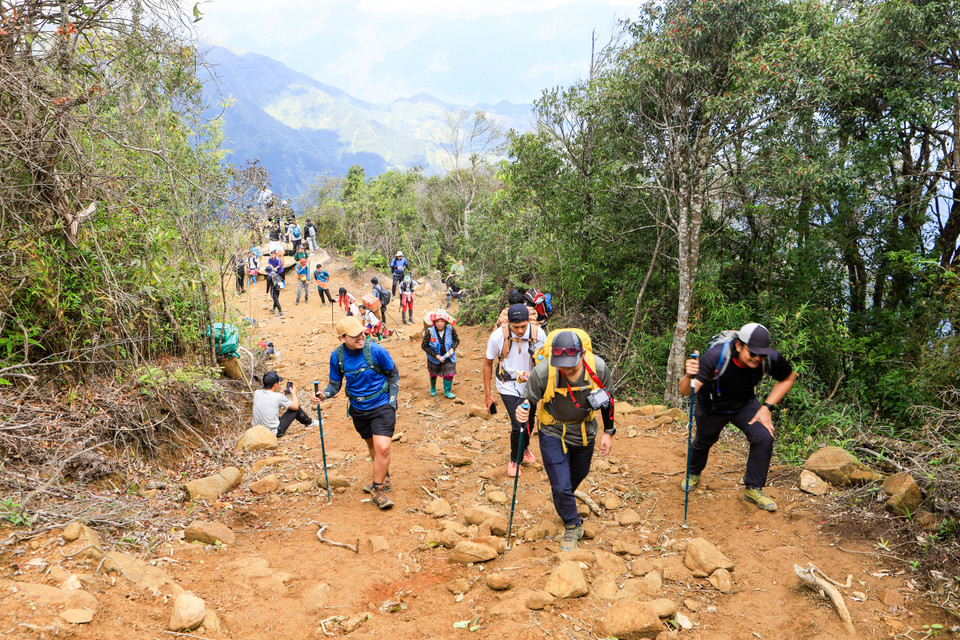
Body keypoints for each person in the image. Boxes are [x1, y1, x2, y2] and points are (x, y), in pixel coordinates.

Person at [679, 322, 797, 512]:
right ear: (739, 346)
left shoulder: (770, 358)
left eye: (762, 354)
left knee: (763, 436)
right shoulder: (716, 356)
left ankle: (753, 488)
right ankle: (693, 473)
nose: (757, 358)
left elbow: (789, 377)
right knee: (704, 440)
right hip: (712, 404)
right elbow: (686, 392)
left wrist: (767, 407)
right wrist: (688, 375)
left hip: (744, 403)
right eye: (752, 353)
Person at [515, 329, 615, 551]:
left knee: (579, 473)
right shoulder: (543, 372)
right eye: (563, 365)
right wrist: (521, 414)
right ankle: (572, 524)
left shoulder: (597, 368)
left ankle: (561, 495)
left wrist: (608, 432)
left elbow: (608, 400)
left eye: (573, 364)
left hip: (584, 429)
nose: (568, 369)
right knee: (561, 484)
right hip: (552, 429)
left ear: (581, 355)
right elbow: (527, 402)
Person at [314, 316, 400, 510]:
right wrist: (324, 395)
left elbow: (393, 374)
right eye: (355, 336)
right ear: (342, 338)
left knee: (383, 447)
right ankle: (384, 477)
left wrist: (392, 402)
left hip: (382, 405)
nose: (361, 337)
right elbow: (335, 385)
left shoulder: (376, 350)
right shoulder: (337, 357)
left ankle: (378, 490)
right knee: (371, 444)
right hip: (358, 409)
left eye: (362, 332)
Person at [483, 303, 547, 477]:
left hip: (532, 385)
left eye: (523, 326)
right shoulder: (498, 336)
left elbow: (546, 360)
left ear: (528, 322)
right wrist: (488, 395)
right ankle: (514, 459)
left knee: (530, 420)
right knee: (518, 422)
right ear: (508, 323)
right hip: (507, 385)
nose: (520, 331)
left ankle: (524, 448)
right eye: (516, 327)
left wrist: (534, 373)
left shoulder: (538, 334)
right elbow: (488, 363)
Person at [253, 371, 318, 437]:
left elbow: (271, 402)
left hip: (258, 432)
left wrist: (282, 395)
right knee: (295, 409)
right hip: (273, 433)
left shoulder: (257, 393)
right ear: (275, 385)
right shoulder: (278, 396)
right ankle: (309, 422)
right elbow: (295, 406)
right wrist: (293, 394)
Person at [422, 309, 459, 399]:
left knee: (449, 374)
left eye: (442, 321)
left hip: (448, 357)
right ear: (434, 322)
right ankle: (433, 388)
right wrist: (436, 355)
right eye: (437, 321)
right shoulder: (429, 331)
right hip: (434, 358)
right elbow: (424, 346)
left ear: (445, 322)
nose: (439, 324)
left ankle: (447, 391)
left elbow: (456, 340)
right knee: (433, 374)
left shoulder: (450, 329)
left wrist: (452, 348)